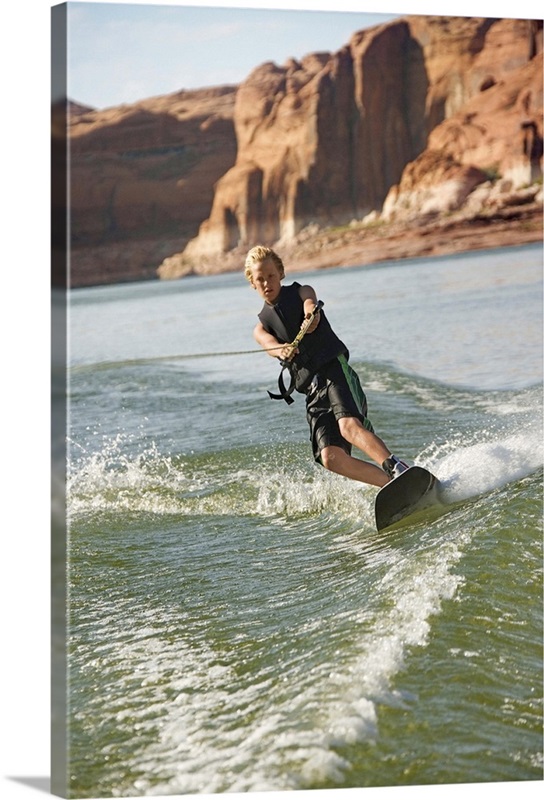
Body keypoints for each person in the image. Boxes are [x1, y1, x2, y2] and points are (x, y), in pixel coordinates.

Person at [244, 245, 410, 488]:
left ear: (280, 273)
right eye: (260, 279)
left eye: (271, 275)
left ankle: (397, 467)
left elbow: (310, 305)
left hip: (333, 370)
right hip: (312, 392)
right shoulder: (261, 328)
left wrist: (311, 317)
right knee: (330, 458)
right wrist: (282, 349)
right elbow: (269, 345)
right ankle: (390, 485)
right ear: (252, 284)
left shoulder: (302, 291)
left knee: (348, 427)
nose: (267, 282)